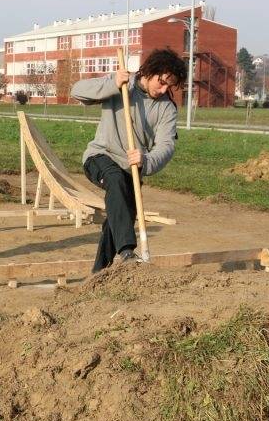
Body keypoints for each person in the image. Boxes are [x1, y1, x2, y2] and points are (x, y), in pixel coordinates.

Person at [72, 47, 187, 273]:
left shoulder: (166, 108)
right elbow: (77, 91)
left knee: (116, 221)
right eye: (161, 82)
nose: (163, 89)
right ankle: (127, 251)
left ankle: (99, 274)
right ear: (150, 71)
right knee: (115, 180)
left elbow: (166, 146)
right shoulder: (123, 84)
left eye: (169, 86)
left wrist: (147, 160)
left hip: (132, 171)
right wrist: (112, 84)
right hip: (100, 157)